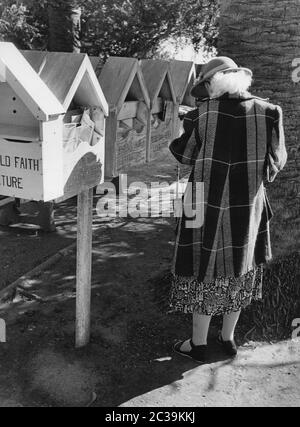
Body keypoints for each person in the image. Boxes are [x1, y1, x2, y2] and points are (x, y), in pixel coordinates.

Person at [169, 56, 287, 363]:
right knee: (241, 267)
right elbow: (276, 163)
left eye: (206, 84)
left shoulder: (200, 115)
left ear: (214, 82)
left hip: (204, 203)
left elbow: (183, 155)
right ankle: (228, 339)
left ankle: (198, 345)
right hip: (247, 207)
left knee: (202, 269)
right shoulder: (270, 112)